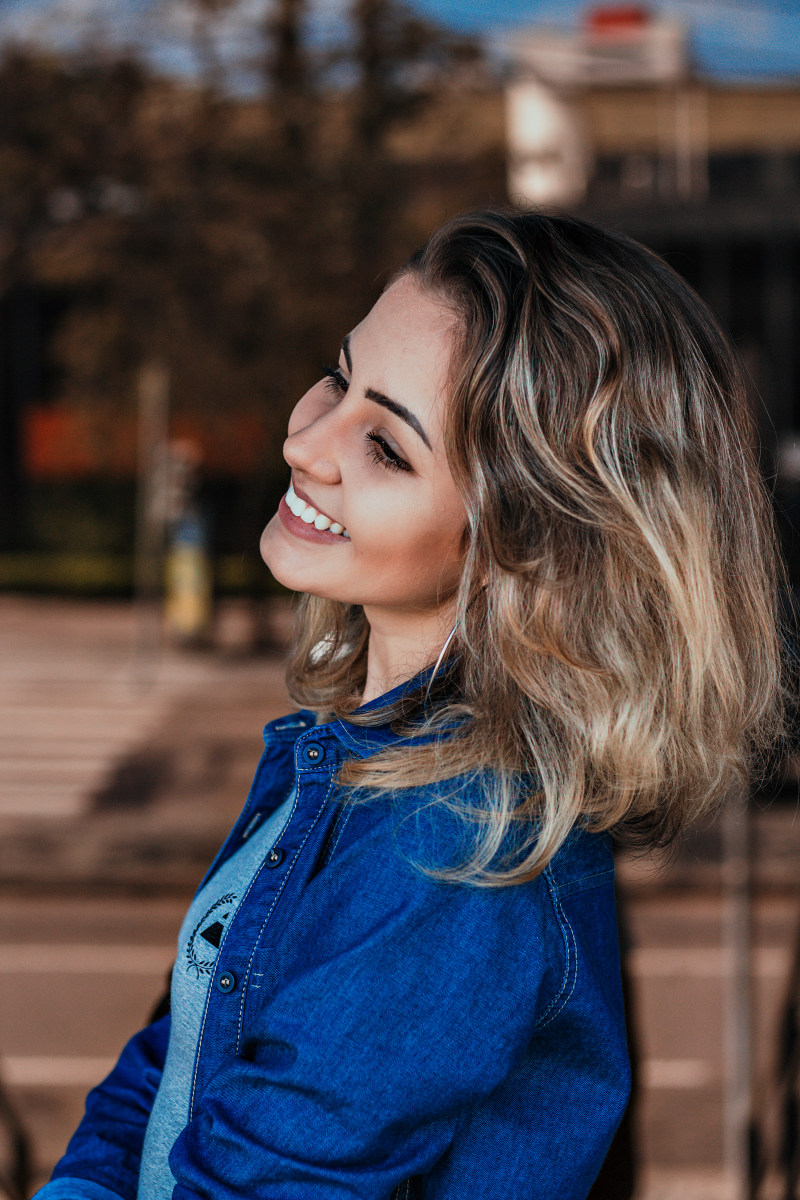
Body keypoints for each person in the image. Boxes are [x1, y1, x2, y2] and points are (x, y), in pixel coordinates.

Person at [34, 209, 786, 1200]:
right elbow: (173, 1057)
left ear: (528, 546)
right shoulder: (349, 763)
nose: (308, 441)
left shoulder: (459, 844)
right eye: (340, 377)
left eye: (386, 447)